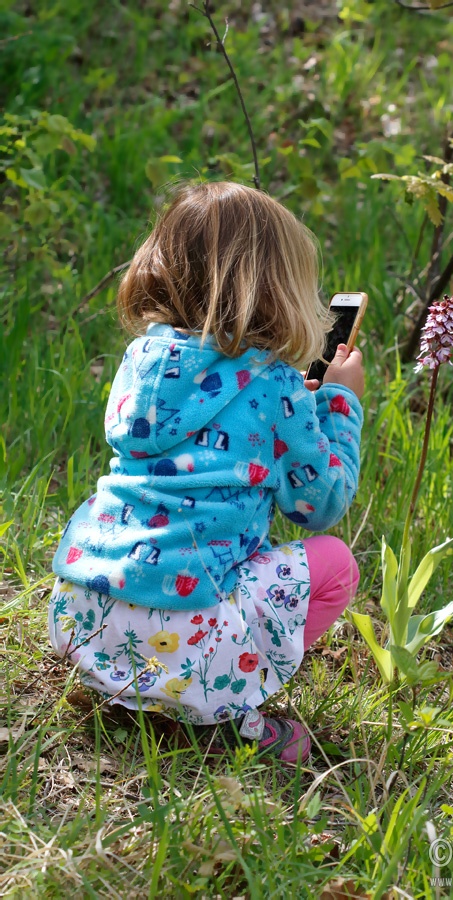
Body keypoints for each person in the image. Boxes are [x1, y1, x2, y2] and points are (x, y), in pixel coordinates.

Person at [49, 182, 364, 763]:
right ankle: (227, 711)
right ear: (278, 292)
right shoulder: (277, 386)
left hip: (82, 615)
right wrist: (339, 406)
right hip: (187, 632)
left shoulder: (141, 360)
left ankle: (129, 696)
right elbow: (318, 505)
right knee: (336, 564)